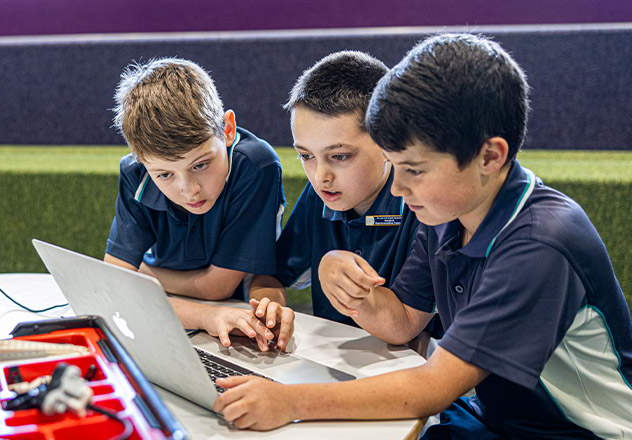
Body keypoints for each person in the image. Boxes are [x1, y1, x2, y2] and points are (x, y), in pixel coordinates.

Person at [214, 33, 632, 438]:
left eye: (414, 170)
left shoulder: (540, 242)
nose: (397, 189)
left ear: (490, 156)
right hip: (492, 418)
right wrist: (348, 288)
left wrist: (290, 402)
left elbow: (433, 386)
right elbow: (403, 322)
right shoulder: (445, 214)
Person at [105, 57, 293, 351]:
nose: (189, 190)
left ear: (228, 129)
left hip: (231, 315)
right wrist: (205, 316)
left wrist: (143, 276)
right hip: (170, 317)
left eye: (201, 164)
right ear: (140, 160)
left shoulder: (256, 166)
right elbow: (115, 284)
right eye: (164, 175)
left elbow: (217, 287)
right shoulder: (134, 172)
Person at [248, 51, 419, 335]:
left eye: (339, 156)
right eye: (306, 156)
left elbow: (406, 327)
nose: (320, 177)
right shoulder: (320, 196)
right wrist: (269, 309)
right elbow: (270, 277)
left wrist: (331, 271)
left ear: (389, 139)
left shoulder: (423, 206)